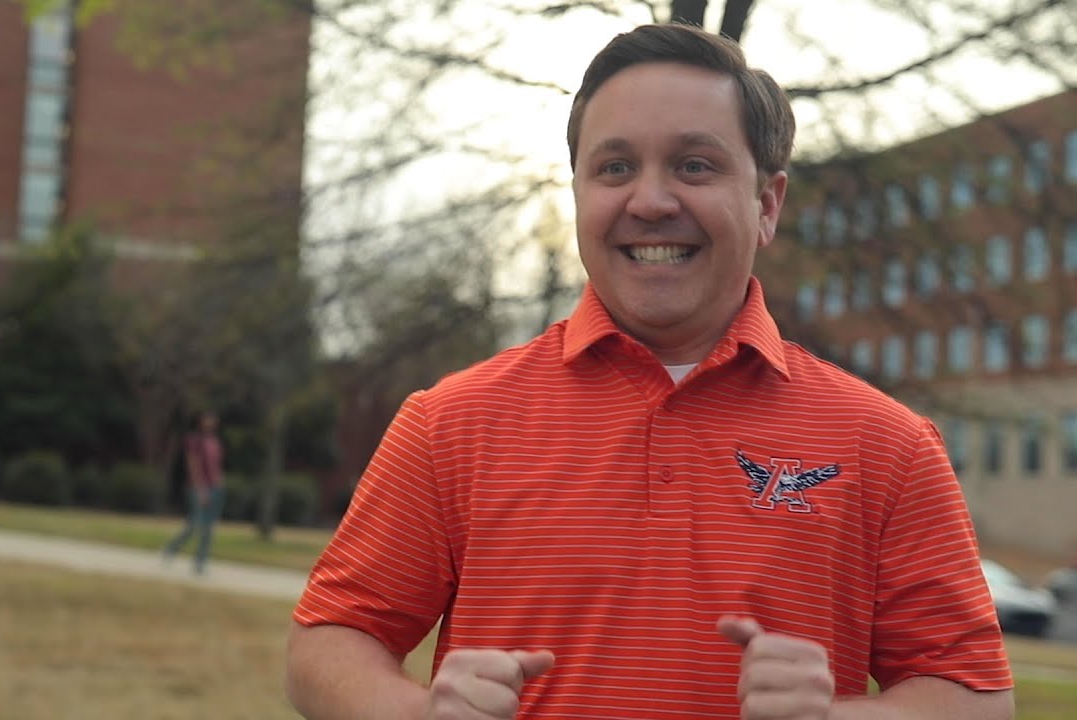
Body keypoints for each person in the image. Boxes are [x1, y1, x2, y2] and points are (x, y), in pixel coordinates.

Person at [286, 23, 1013, 720]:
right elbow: (325, 643)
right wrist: (421, 713)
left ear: (766, 203)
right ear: (577, 195)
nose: (651, 201)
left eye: (694, 165)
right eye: (615, 168)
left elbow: (975, 696)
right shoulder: (449, 423)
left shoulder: (889, 446)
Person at [162, 410, 225, 575]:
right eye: (207, 418)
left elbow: (216, 466)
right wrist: (200, 487)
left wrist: (219, 484)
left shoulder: (215, 441)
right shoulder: (193, 439)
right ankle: (171, 549)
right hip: (197, 487)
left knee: (208, 528)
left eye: (213, 419)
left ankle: (200, 562)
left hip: (215, 487)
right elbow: (193, 464)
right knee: (195, 524)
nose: (211, 422)